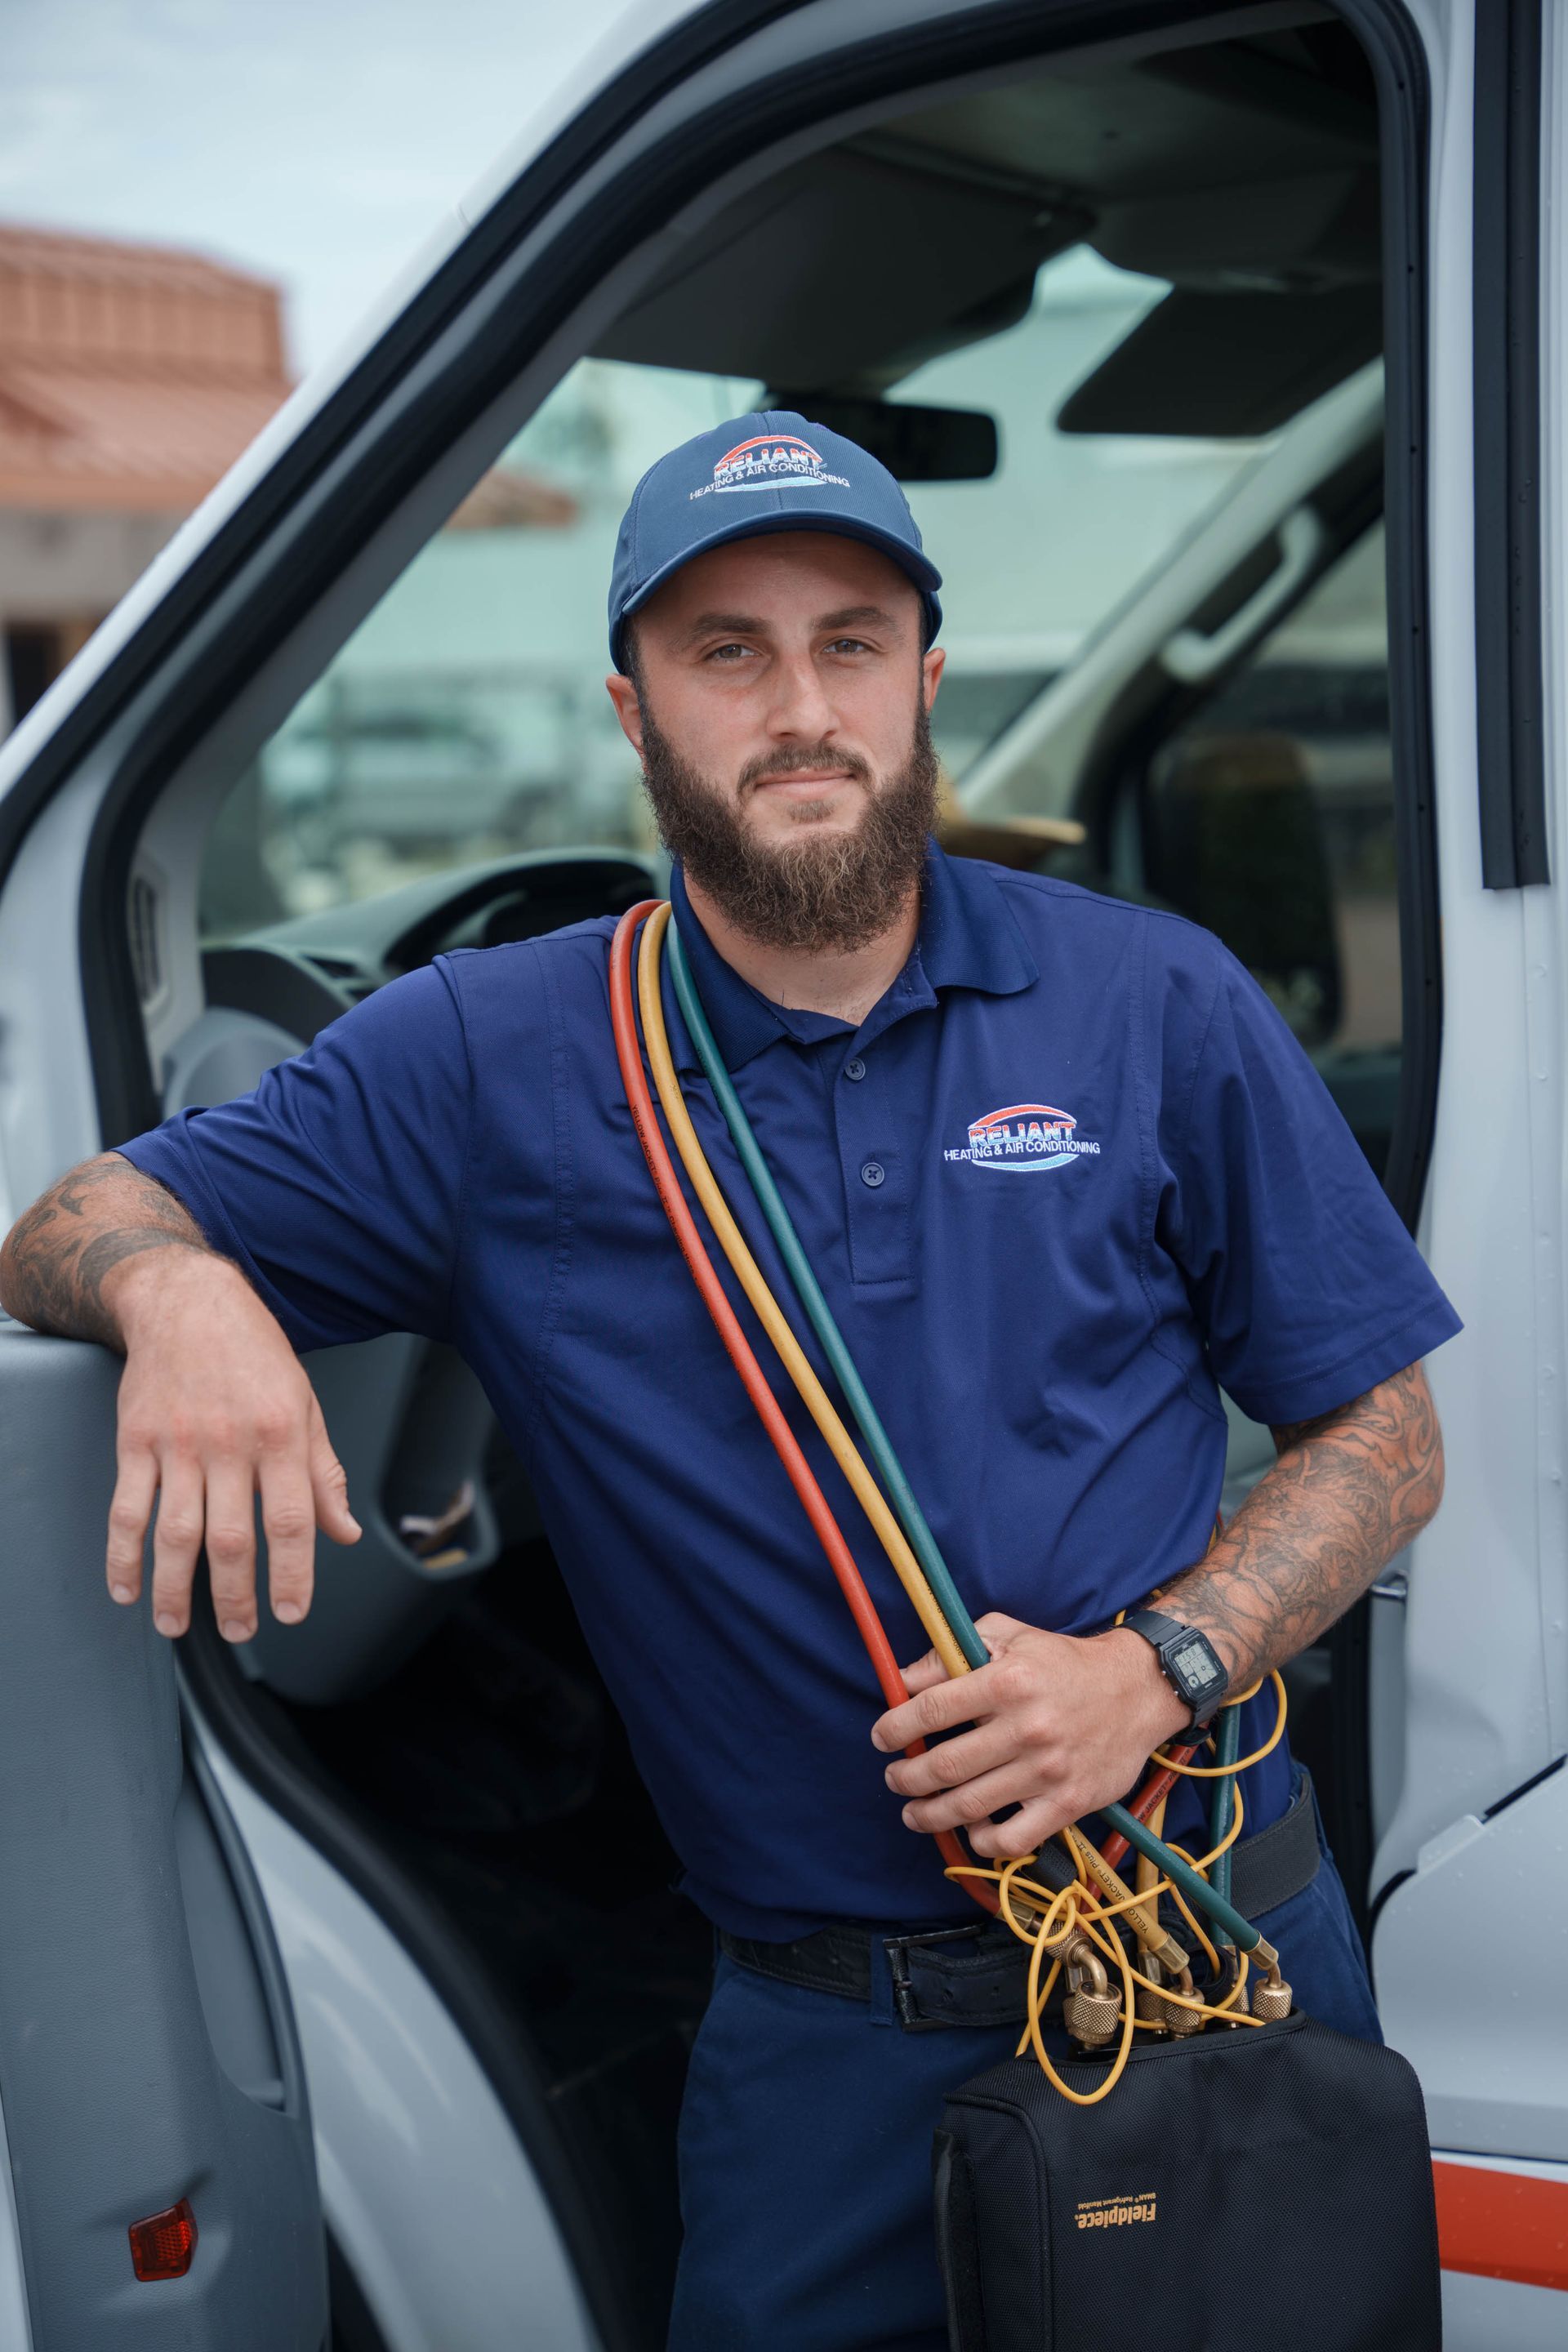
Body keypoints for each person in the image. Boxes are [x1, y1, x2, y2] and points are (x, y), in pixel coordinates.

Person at [0, 412, 1458, 2351]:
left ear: (926, 681)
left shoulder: (1155, 997)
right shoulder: (484, 1055)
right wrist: (184, 1302)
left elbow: (1388, 1433)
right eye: (727, 652)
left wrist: (1152, 1675)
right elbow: (69, 1218)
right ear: (634, 708)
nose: (801, 708)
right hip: (825, 2053)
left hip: (1208, 1955)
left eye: (851, 642)